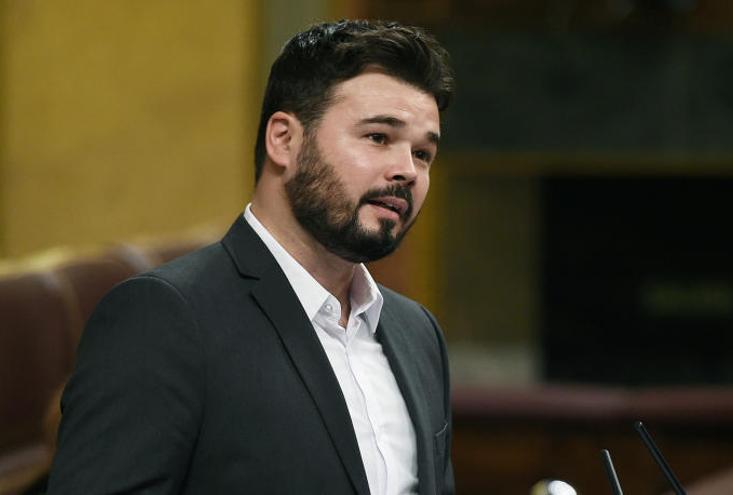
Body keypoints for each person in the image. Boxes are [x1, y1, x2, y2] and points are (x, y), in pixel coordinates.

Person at [47, 19, 455, 495]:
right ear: (284, 139)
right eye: (379, 138)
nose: (407, 170)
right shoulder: (164, 318)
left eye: (423, 153)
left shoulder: (417, 333)